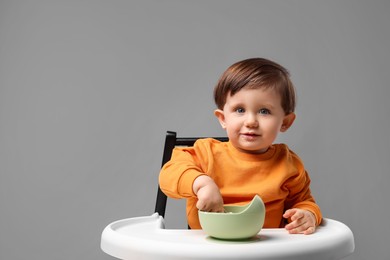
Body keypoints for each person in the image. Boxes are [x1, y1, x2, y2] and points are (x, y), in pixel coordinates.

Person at [159, 57, 322, 235]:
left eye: (264, 111)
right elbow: (169, 174)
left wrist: (308, 215)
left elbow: (304, 201)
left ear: (285, 122)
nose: (251, 121)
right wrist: (201, 183)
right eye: (240, 110)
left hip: (265, 249)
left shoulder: (288, 163)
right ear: (223, 119)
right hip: (208, 248)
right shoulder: (205, 152)